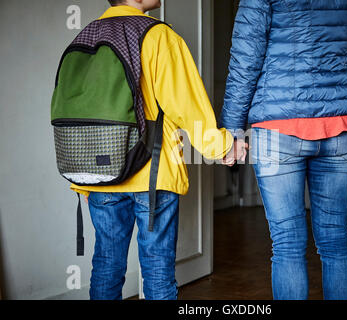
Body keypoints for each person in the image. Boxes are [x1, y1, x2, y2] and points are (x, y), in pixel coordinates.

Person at [69, 0, 244, 300]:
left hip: (100, 174)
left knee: (107, 267)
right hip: (152, 174)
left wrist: (82, 177)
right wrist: (224, 147)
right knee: (158, 273)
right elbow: (188, 108)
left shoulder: (85, 37)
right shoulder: (158, 36)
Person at [220, 0, 347, 300]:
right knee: (336, 238)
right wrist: (342, 96)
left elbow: (245, 60)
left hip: (278, 128)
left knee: (287, 243)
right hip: (339, 126)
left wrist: (232, 128)